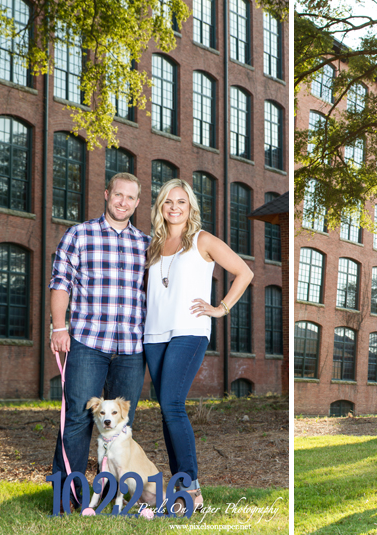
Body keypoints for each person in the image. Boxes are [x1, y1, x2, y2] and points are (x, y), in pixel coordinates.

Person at [144, 179, 253, 514]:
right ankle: (180, 486)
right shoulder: (153, 244)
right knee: (166, 408)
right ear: (160, 207)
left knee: (173, 404)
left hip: (189, 330)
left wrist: (221, 307)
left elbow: (244, 272)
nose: (174, 207)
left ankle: (191, 488)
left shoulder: (201, 240)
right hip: (153, 334)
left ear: (190, 206)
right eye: (167, 202)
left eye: (181, 201)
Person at [49, 172, 150, 511]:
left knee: (120, 425)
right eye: (117, 194)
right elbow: (61, 282)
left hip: (131, 349)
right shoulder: (79, 235)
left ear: (137, 203)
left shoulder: (146, 245)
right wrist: (58, 328)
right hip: (88, 343)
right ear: (107, 194)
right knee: (78, 419)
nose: (123, 202)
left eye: (130, 197)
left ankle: (112, 497)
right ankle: (67, 499)